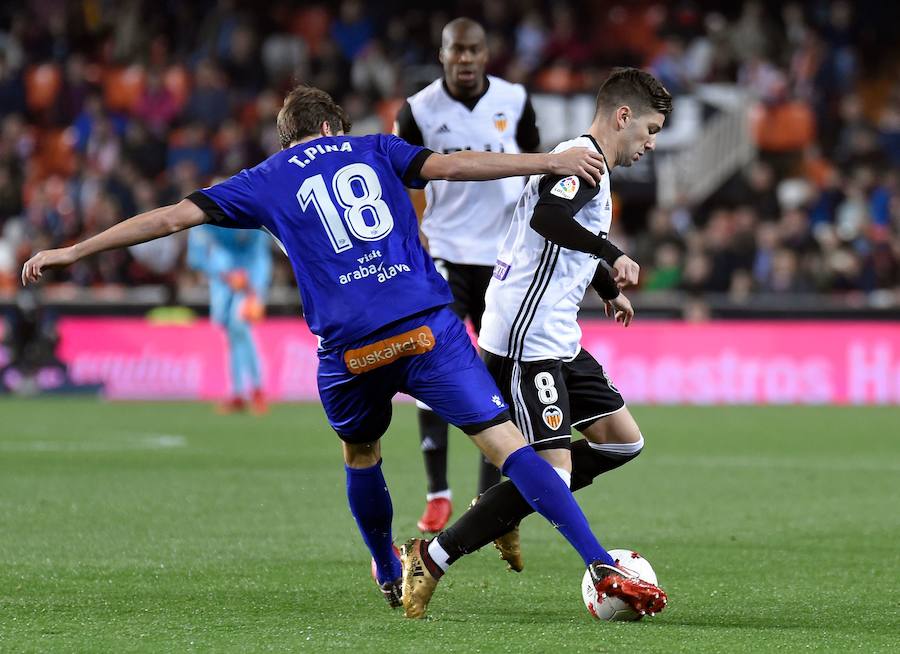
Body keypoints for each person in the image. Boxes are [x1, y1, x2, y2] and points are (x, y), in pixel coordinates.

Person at [22, 84, 665, 620]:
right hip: (424, 328)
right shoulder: (375, 148)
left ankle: (386, 567)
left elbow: (167, 218)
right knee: (509, 449)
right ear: (333, 126)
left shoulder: (265, 177)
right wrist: (545, 162)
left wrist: (74, 251)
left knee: (361, 453)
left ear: (290, 137)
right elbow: (452, 165)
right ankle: (599, 563)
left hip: (352, 348)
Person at [400, 68, 673, 616]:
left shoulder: (586, 162)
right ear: (623, 116)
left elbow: (559, 239)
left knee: (622, 442)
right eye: (650, 130)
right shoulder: (582, 161)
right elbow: (549, 218)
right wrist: (614, 253)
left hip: (556, 335)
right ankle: (431, 556)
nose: (650, 144)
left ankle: (506, 505)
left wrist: (604, 286)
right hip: (527, 341)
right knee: (553, 475)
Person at [394, 17, 541, 534]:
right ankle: (438, 494)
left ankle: (487, 497)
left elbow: (534, 168)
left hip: (503, 256)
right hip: (446, 252)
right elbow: (402, 182)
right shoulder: (417, 110)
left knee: (497, 374)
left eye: (473, 50)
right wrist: (413, 237)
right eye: (456, 50)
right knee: (432, 358)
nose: (465, 59)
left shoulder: (515, 100)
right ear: (442, 54)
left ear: (486, 54)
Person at [186, 223, 272, 413]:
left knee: (239, 327)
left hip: (250, 276)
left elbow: (259, 253)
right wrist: (224, 275)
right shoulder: (204, 222)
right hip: (223, 277)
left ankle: (255, 389)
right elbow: (196, 258)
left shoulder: (250, 217)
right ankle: (239, 392)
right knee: (232, 335)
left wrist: (255, 289)